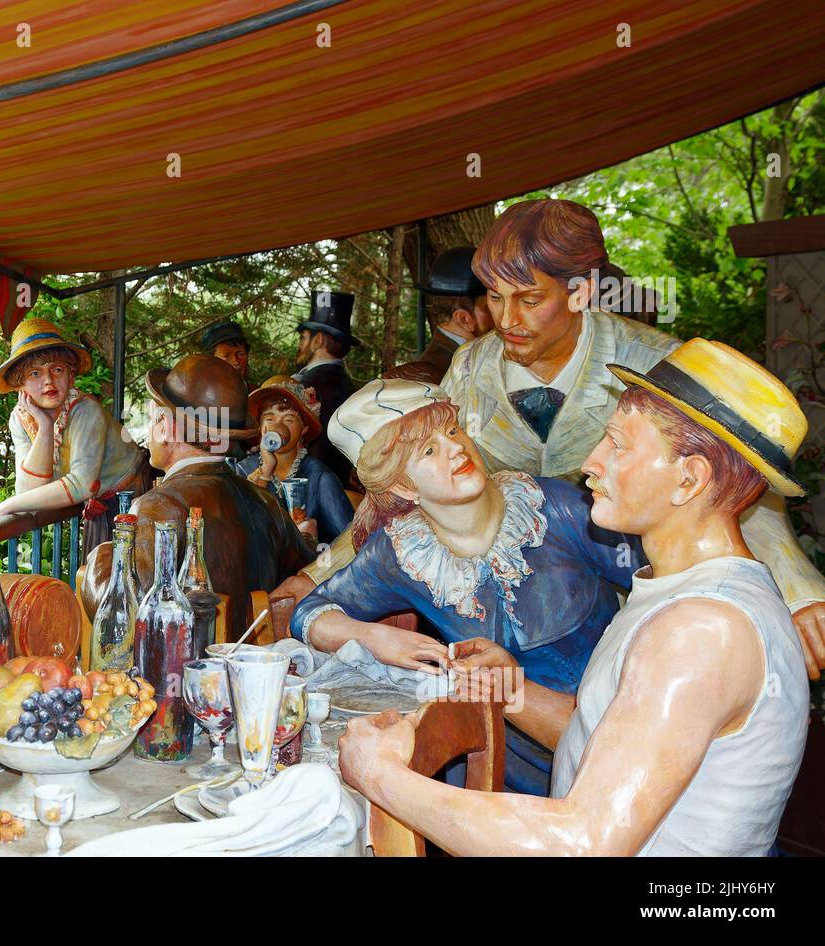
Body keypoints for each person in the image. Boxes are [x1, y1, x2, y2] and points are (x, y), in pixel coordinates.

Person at [339, 340, 810, 855]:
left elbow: (581, 844)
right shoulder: (683, 592)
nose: (591, 462)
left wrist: (379, 774)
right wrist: (511, 691)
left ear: (688, 479)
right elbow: (609, 738)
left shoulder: (700, 630)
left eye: (618, 445)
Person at [442, 198, 825, 681]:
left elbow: (738, 481)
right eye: (494, 297)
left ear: (581, 291)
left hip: (635, 623)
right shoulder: (469, 368)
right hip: (501, 626)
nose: (506, 319)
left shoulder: (659, 366)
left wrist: (798, 589)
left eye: (529, 299)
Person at [292, 379, 640, 795]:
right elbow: (309, 611)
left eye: (453, 431)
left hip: (610, 744)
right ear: (403, 486)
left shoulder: (559, 509)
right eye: (428, 450)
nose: (455, 449)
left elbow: (668, 587)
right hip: (496, 762)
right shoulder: (402, 552)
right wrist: (372, 635)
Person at [81, 355, 314, 639]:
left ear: (167, 427)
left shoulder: (157, 506)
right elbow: (307, 574)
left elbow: (125, 621)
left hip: (186, 673)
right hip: (250, 665)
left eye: (153, 417)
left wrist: (102, 557)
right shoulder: (266, 501)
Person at [0, 318, 154, 559]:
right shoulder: (21, 420)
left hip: (132, 499)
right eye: (35, 373)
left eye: (57, 370)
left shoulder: (86, 410)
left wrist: (7, 506)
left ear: (71, 376)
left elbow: (82, 484)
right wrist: (45, 428)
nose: (48, 381)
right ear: (20, 385)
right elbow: (29, 490)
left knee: (126, 575)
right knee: (96, 576)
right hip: (98, 505)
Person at [234, 375, 352, 545]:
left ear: (304, 428)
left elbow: (348, 541)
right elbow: (238, 532)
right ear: (261, 426)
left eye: (288, 419)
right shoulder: (243, 470)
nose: (277, 426)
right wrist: (265, 472)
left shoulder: (319, 477)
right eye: (269, 418)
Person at [384, 246, 493, 384]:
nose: (502, 315)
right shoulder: (436, 373)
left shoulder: (473, 357)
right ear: (464, 319)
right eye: (488, 307)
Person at [294, 290, 360, 486]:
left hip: (307, 487)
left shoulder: (304, 386)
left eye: (304, 338)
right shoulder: (352, 388)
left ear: (318, 340)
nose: (300, 345)